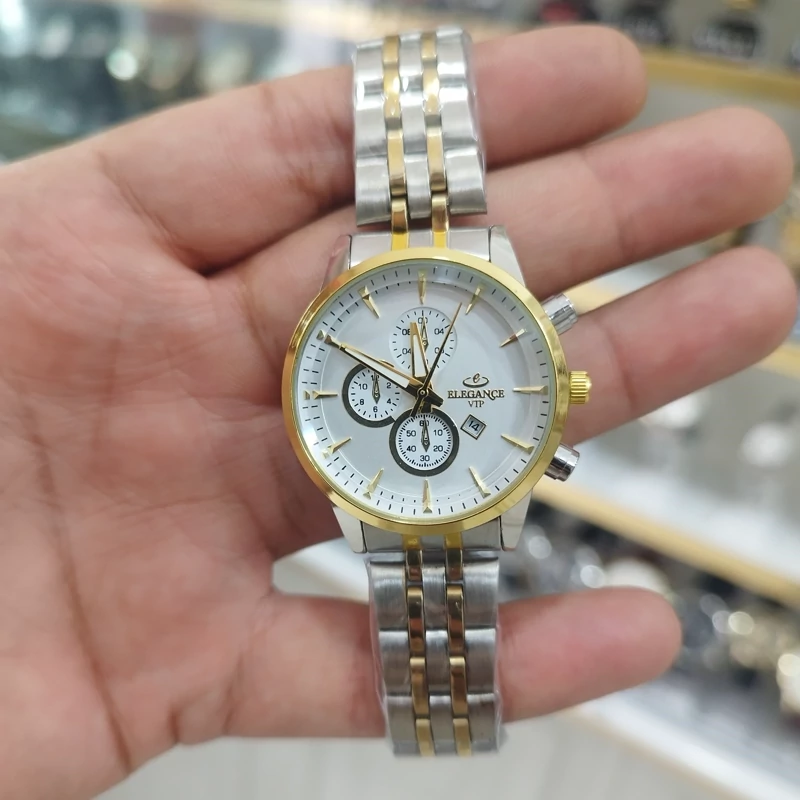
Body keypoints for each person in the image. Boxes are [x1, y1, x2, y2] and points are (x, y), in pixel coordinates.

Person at [0, 25, 796, 799]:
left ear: (561, 383)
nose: (420, 397)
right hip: (401, 482)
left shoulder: (499, 348)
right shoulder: (356, 345)